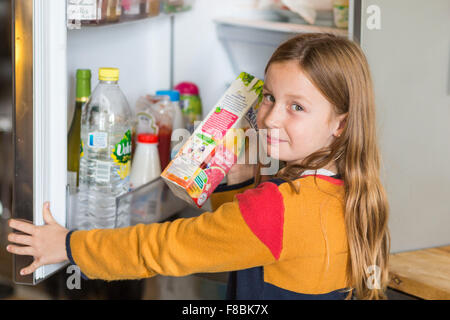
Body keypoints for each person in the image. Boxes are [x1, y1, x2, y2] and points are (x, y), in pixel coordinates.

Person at [6, 33, 390, 300]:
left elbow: (164, 248)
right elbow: (245, 245)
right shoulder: (348, 191)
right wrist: (236, 180)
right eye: (270, 97)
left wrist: (69, 245)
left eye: (297, 107)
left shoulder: (278, 209)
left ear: (340, 123)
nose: (271, 119)